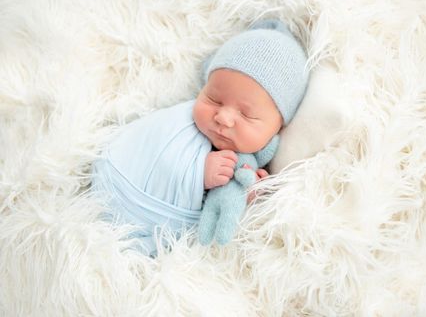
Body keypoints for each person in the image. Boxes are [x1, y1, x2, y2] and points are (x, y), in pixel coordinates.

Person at [91, 19, 309, 256]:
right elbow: (159, 148)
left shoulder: (255, 164)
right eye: (214, 99)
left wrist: (249, 194)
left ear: (278, 128)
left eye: (246, 114)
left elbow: (230, 213)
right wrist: (198, 173)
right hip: (120, 182)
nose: (223, 117)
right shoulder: (181, 124)